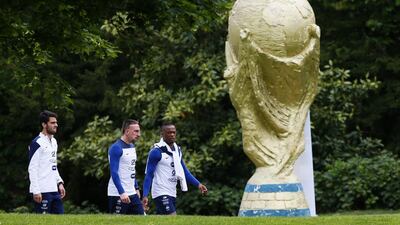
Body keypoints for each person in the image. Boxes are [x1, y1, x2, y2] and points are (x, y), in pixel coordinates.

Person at [142, 122, 208, 215]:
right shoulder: (156, 151)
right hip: (161, 192)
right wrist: (145, 195)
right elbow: (149, 175)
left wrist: (198, 185)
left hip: (172, 192)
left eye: (174, 132)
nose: (172, 134)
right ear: (162, 134)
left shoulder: (177, 150)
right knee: (172, 218)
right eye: (169, 132)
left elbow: (184, 171)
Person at [28, 110, 66, 214]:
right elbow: (32, 168)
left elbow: (53, 165)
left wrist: (60, 183)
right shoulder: (36, 143)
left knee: (60, 220)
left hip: (54, 190)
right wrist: (36, 191)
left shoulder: (54, 142)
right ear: (44, 124)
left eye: (56, 122)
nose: (56, 125)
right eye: (52, 123)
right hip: (42, 191)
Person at [107, 119, 145, 215]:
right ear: (127, 131)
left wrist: (136, 188)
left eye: (139, 131)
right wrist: (121, 192)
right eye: (136, 131)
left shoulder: (132, 146)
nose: (139, 134)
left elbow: (131, 169)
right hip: (118, 194)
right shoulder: (116, 148)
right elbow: (114, 173)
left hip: (132, 192)